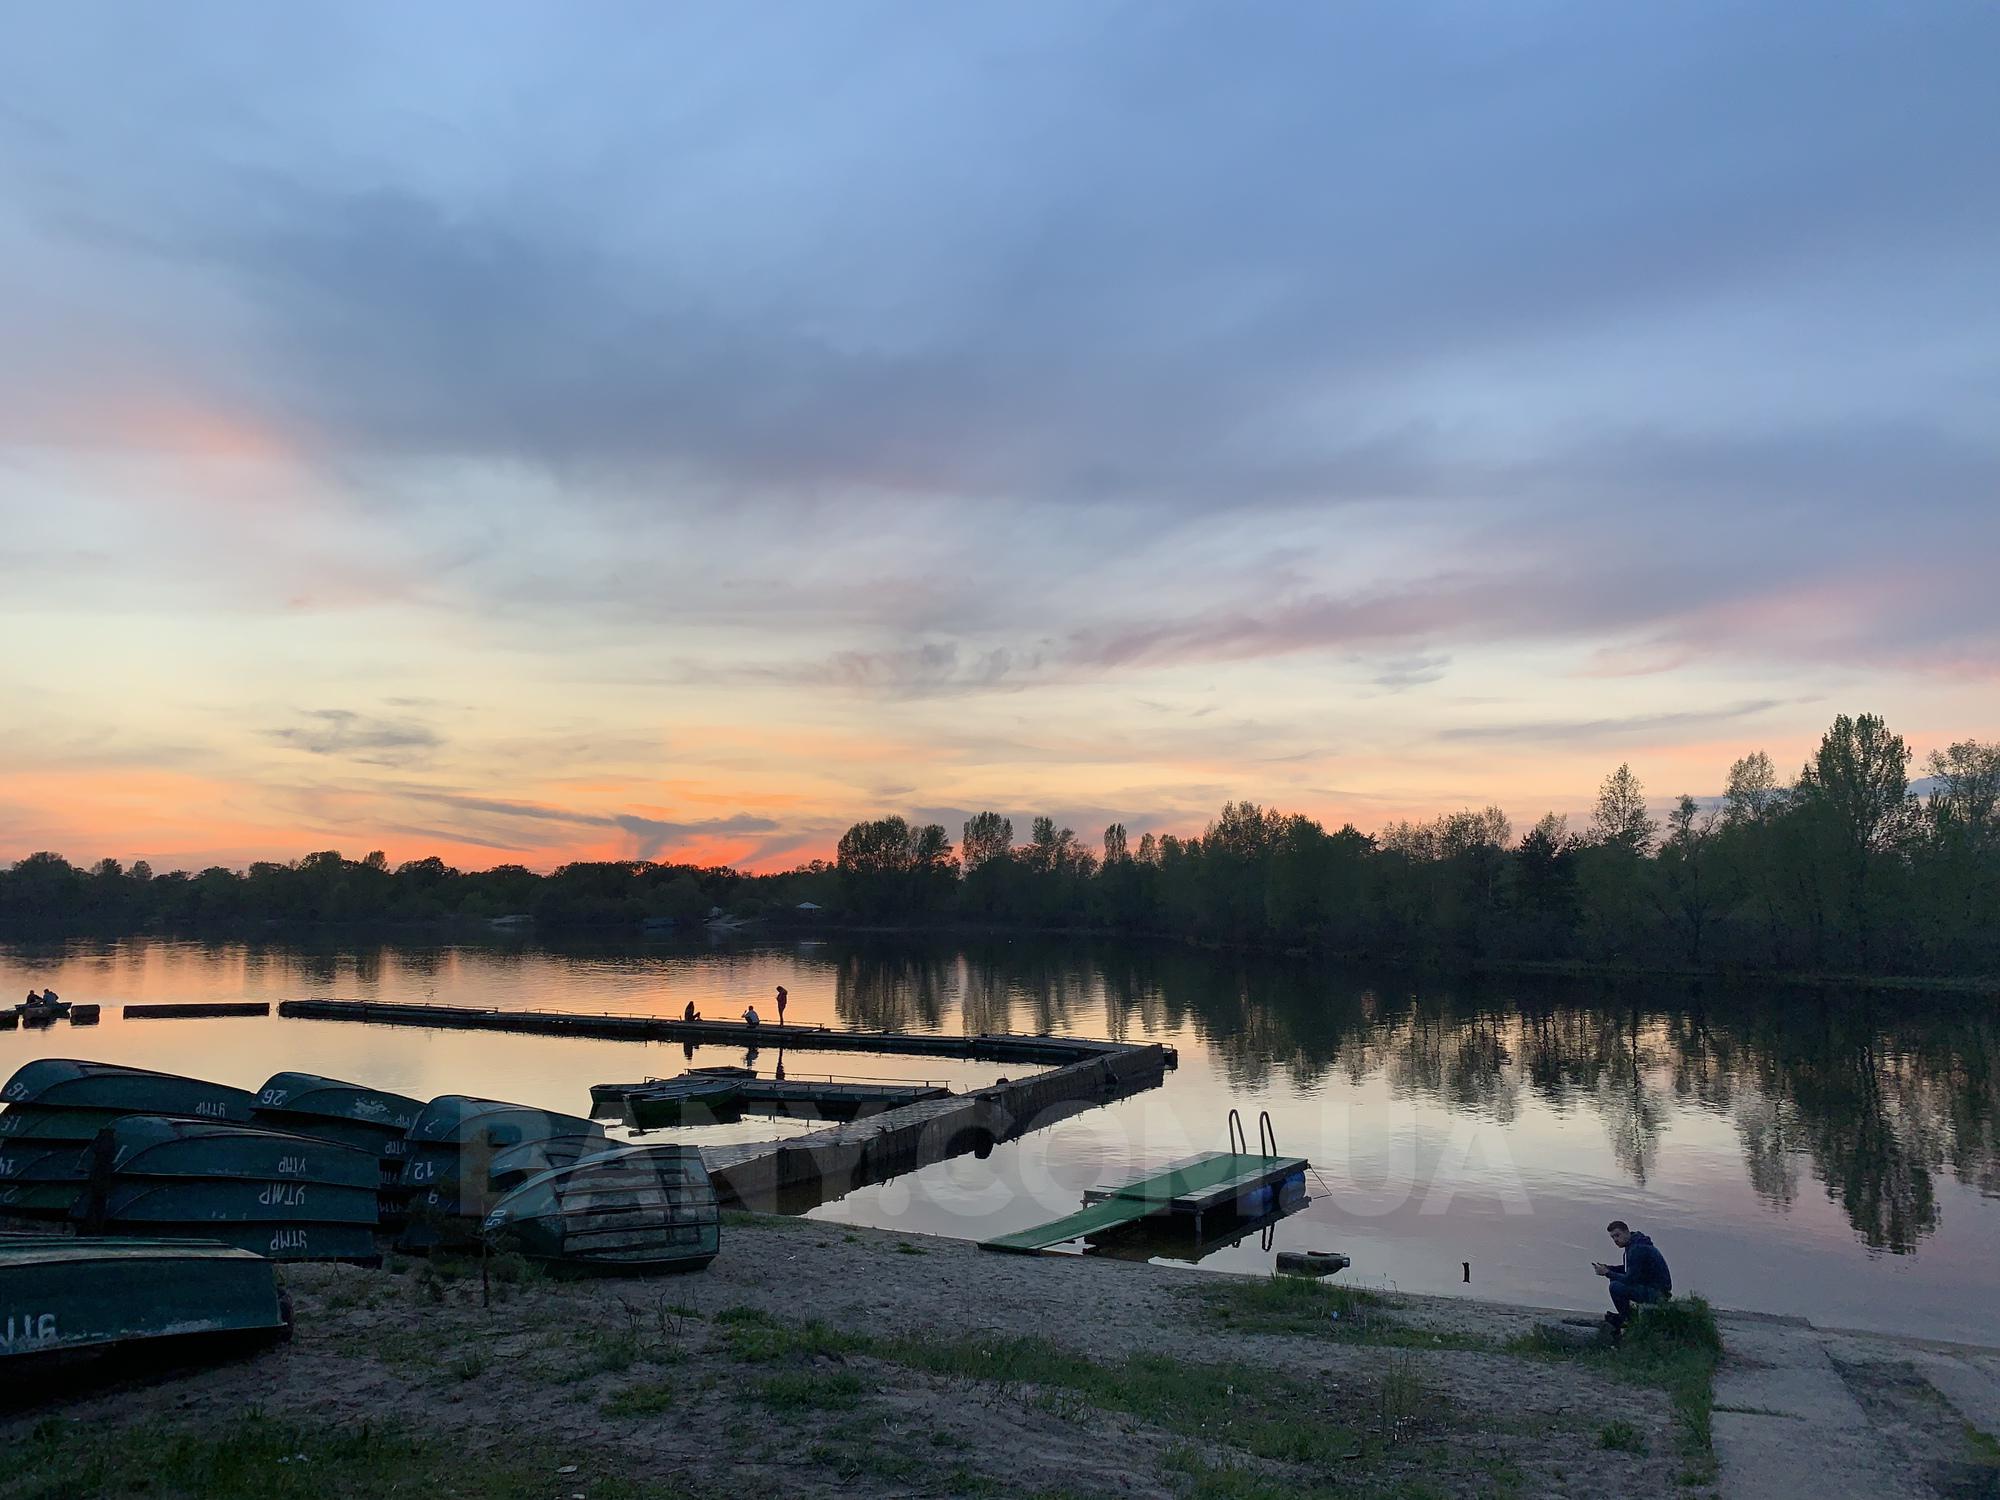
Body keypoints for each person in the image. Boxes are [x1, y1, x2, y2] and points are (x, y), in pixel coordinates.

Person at [1593, 1219, 1672, 1333]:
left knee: (1615, 1286)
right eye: (1613, 1237)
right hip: (1653, 1288)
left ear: (1626, 1232)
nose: (1615, 1240)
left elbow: (1630, 1279)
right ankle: (1625, 1316)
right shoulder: (1634, 1244)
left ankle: (1627, 1320)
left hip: (1657, 1293)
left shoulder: (1637, 1249)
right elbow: (1630, 1269)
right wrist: (1609, 1268)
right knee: (1615, 1280)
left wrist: (1607, 1273)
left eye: (1617, 1235)